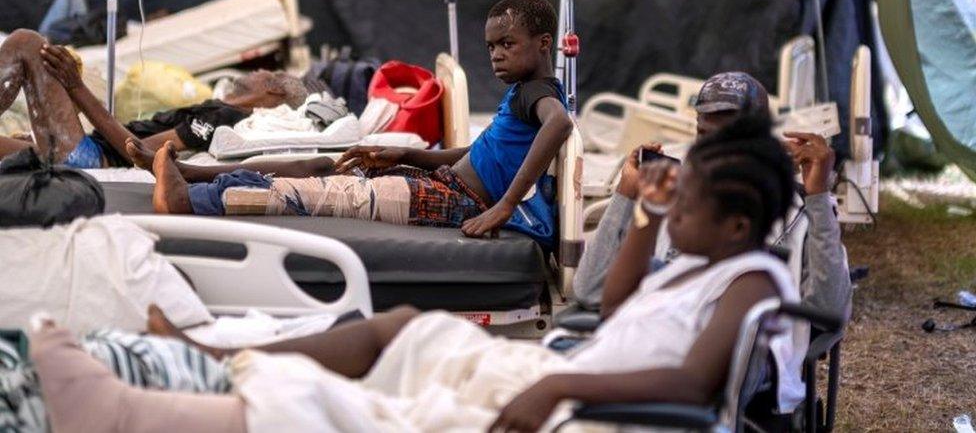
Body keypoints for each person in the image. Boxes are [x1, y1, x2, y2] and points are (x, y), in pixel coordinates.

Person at [30, 115, 805, 432]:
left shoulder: (751, 282)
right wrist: (645, 214)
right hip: (562, 376)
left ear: (738, 223)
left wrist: (562, 385)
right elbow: (619, 308)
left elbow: (696, 382)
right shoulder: (706, 261)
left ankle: (146, 408)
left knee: (371, 409)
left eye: (690, 200)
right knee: (402, 327)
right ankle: (209, 360)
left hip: (582, 410)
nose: (679, 207)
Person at [145, 0, 575, 243]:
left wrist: (502, 208)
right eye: (491, 47)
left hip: (456, 201)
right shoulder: (523, 95)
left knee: (326, 196)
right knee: (322, 179)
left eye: (507, 44)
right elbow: (476, 153)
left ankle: (193, 202)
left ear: (543, 44)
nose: (496, 54)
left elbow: (561, 124)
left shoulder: (539, 96)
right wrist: (399, 153)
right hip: (445, 184)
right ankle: (209, 183)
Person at [574, 71, 852, 320]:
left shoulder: (795, 210)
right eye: (702, 134)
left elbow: (828, 313)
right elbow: (590, 290)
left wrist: (818, 198)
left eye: (727, 137)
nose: (711, 149)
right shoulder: (672, 193)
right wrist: (626, 194)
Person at [0, 28, 308, 167]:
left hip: (93, 160)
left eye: (264, 73)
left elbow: (138, 151)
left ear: (274, 90)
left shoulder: (225, 119)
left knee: (27, 43)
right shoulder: (220, 109)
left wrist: (76, 87)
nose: (254, 71)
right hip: (92, 148)